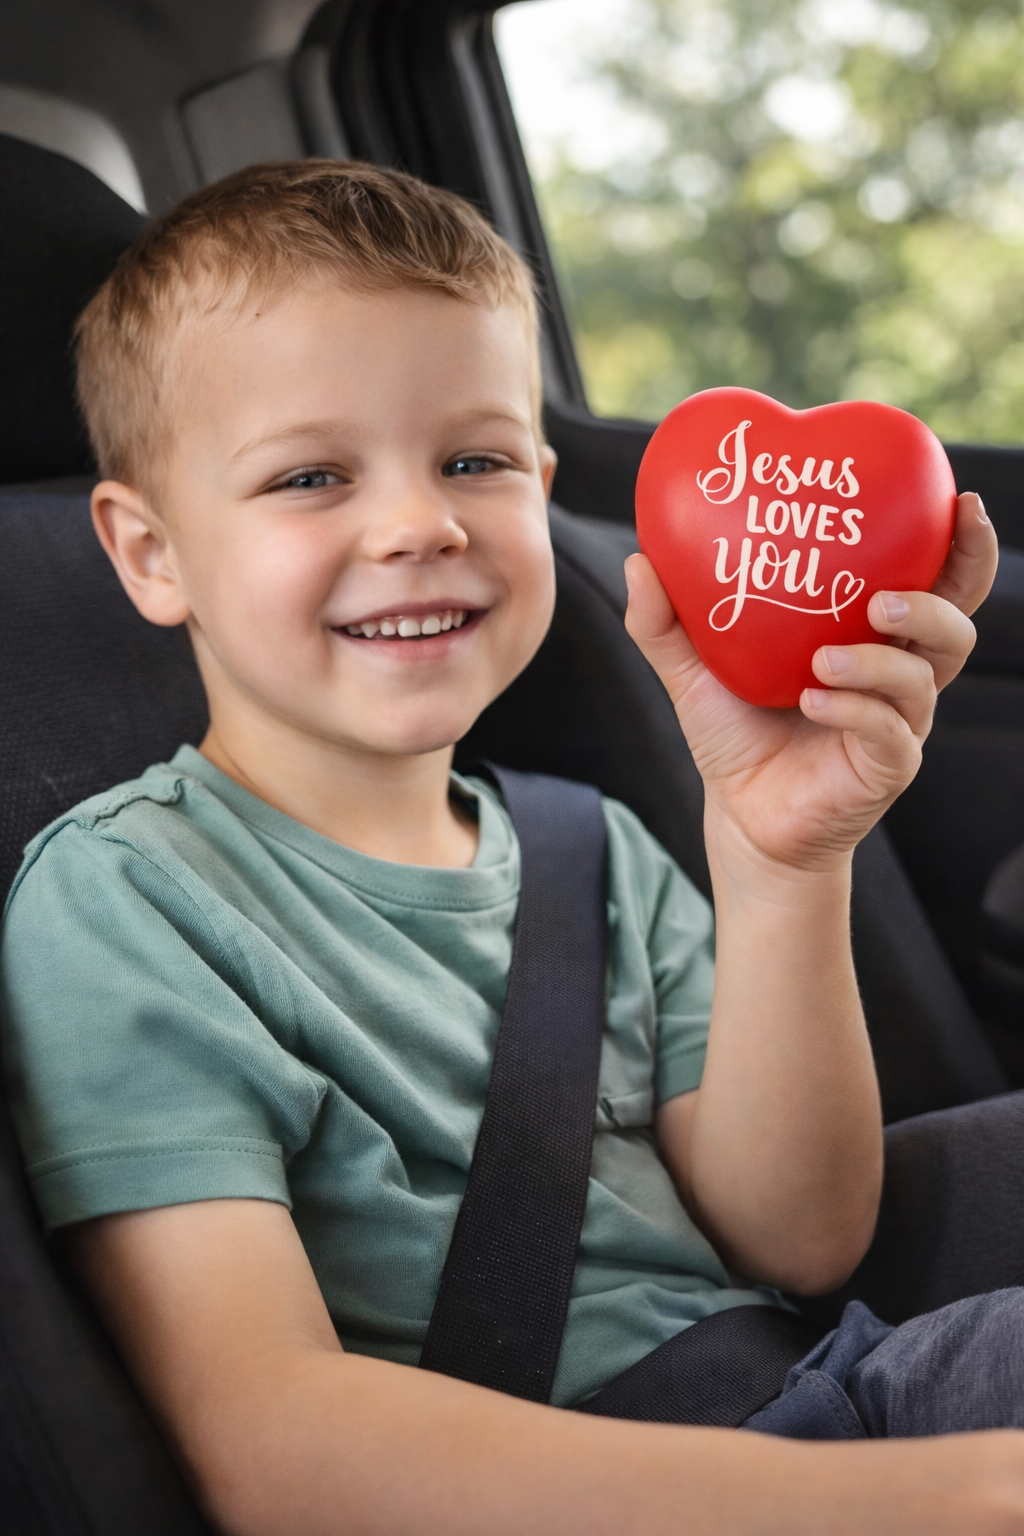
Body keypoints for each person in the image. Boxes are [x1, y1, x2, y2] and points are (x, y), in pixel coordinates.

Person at [0, 158, 1020, 1536]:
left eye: (474, 462)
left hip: (831, 1397)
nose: (420, 523)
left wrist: (785, 865)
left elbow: (799, 1237)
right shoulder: (127, 903)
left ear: (540, 486)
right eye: (310, 476)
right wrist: (927, 1494)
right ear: (150, 553)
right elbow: (271, 1444)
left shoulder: (590, 850)